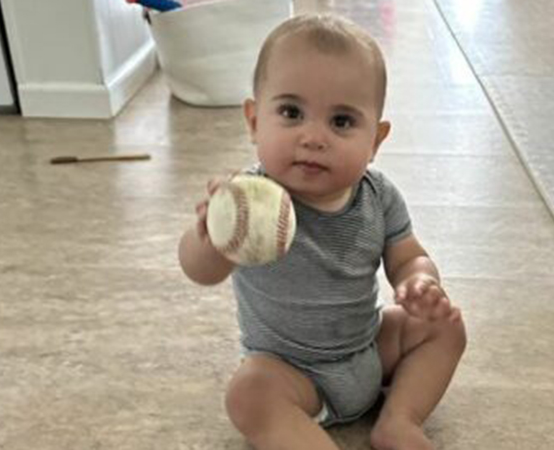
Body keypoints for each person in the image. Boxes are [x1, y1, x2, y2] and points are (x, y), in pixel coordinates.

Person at [178, 13, 466, 450]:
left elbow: (407, 256)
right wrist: (210, 238)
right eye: (292, 113)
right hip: (291, 375)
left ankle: (400, 420)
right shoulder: (248, 202)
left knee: (447, 328)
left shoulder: (379, 196)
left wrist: (420, 281)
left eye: (342, 122)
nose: (314, 137)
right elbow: (199, 270)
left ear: (376, 140)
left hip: (369, 348)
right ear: (255, 121)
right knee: (248, 392)